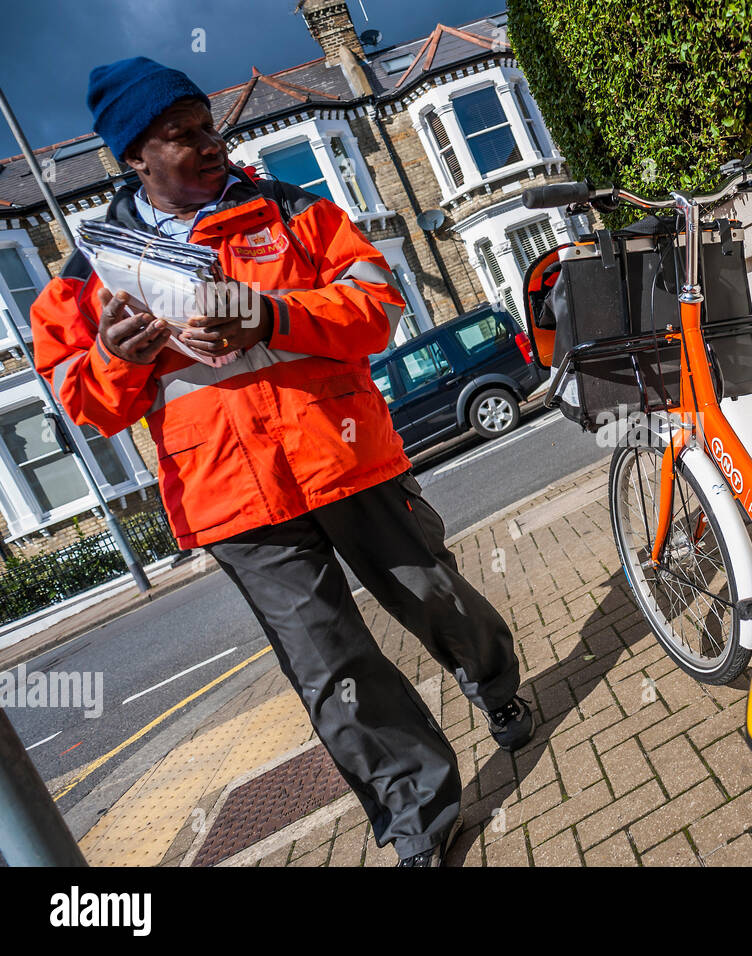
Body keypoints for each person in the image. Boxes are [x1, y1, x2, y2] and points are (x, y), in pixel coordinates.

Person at [31, 57, 531, 867]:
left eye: (207, 126)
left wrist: (271, 313)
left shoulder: (294, 211)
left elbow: (376, 308)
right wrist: (118, 359)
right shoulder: (83, 283)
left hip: (346, 457)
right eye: (179, 134)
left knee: (436, 594)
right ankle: (421, 822)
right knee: (334, 672)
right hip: (235, 501)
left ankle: (494, 681)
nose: (207, 144)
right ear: (134, 157)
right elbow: (84, 404)